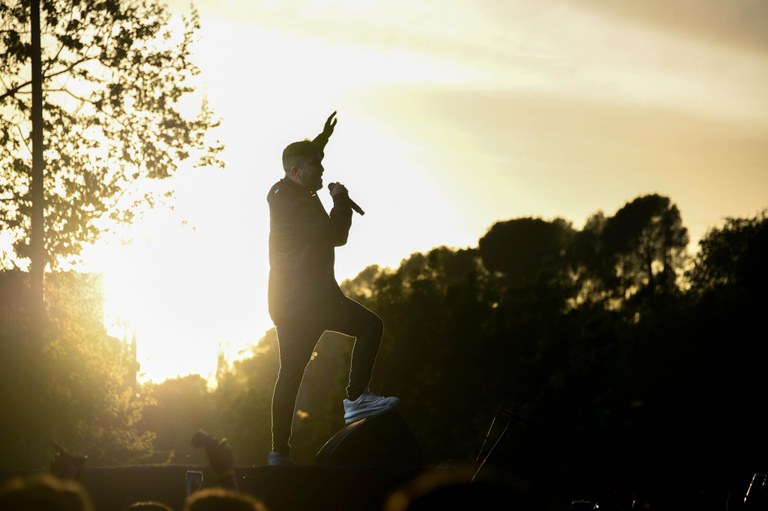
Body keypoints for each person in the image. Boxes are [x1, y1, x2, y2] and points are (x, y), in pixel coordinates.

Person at [266, 111, 399, 466]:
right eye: (315, 166)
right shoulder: (294, 203)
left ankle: (279, 453)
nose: (322, 172)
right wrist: (341, 200)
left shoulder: (286, 190)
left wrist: (322, 139)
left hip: (287, 303)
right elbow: (336, 235)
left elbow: (306, 156)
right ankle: (356, 398)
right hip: (311, 299)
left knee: (289, 375)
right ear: (296, 170)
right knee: (371, 326)